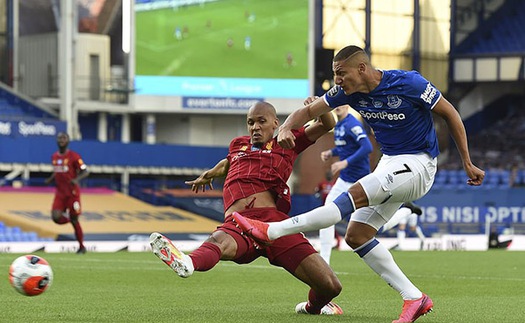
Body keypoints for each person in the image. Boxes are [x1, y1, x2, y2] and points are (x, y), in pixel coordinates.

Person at [232, 45, 485, 323]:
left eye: (341, 73)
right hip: (390, 162)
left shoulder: (408, 82)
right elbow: (307, 113)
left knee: (344, 201)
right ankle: (414, 298)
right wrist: (284, 128)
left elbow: (450, 113)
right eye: (334, 74)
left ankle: (272, 231)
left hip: (419, 163)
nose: (336, 80)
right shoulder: (345, 93)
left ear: (361, 69)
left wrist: (467, 162)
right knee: (356, 235)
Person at [150, 101, 344, 315]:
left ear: (275, 123)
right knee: (218, 241)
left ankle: (311, 307)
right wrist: (211, 172)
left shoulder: (287, 139)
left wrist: (320, 106)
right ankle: (187, 262)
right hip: (239, 220)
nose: (255, 127)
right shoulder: (237, 144)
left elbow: (327, 124)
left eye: (261, 121)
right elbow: (229, 161)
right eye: (250, 122)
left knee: (330, 286)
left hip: (273, 224)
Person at [317, 102, 372, 264]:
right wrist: (331, 152)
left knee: (372, 225)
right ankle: (324, 261)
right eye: (336, 103)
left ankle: (405, 212)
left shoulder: (352, 123)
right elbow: (345, 148)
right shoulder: (339, 125)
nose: (338, 106)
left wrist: (344, 163)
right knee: (326, 213)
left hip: (360, 182)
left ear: (348, 106)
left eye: (342, 103)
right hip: (344, 180)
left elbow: (367, 147)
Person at [45, 132, 89, 254]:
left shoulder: (74, 156)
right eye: (59, 138)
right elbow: (58, 171)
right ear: (57, 141)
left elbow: (85, 171)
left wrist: (76, 179)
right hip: (60, 193)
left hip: (72, 193)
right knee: (56, 217)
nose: (61, 140)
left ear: (68, 141)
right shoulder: (54, 157)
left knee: (76, 221)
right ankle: (70, 219)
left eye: (64, 138)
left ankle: (81, 246)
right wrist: (50, 178)